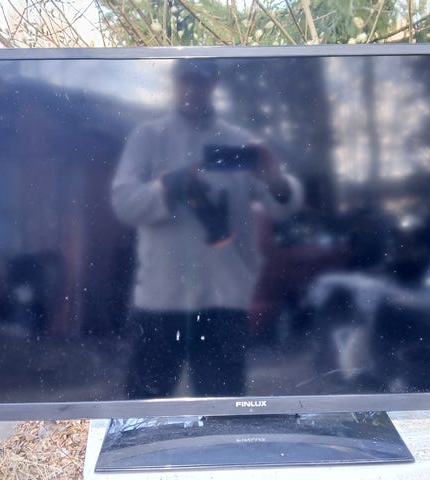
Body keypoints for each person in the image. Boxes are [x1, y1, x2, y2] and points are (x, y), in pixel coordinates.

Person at [111, 59, 302, 399]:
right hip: (161, 297)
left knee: (224, 410)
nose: (192, 89)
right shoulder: (149, 138)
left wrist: (276, 180)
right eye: (186, 80)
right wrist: (172, 185)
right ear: (175, 82)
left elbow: (283, 206)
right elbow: (124, 203)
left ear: (213, 83)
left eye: (200, 81)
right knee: (142, 408)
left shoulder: (239, 143)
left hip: (223, 299)